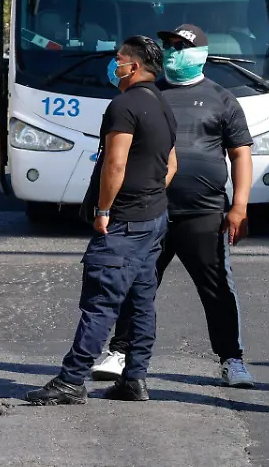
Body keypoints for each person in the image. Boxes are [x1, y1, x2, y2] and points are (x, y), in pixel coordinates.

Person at [90, 24, 258, 389]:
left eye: (181, 46)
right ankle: (120, 352)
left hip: (204, 212)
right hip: (150, 211)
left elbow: (240, 154)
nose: (172, 51)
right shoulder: (150, 94)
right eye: (168, 45)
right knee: (136, 284)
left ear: (201, 54)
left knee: (216, 288)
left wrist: (240, 206)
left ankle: (231, 359)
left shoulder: (221, 99)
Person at [25, 36, 177, 405]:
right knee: (141, 303)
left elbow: (115, 163)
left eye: (118, 59)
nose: (114, 64)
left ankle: (71, 380)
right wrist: (150, 196)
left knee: (101, 302)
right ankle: (134, 378)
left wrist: (105, 209)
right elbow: (171, 165)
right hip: (153, 218)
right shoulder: (163, 104)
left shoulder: (123, 106)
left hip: (124, 222)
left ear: (134, 67)